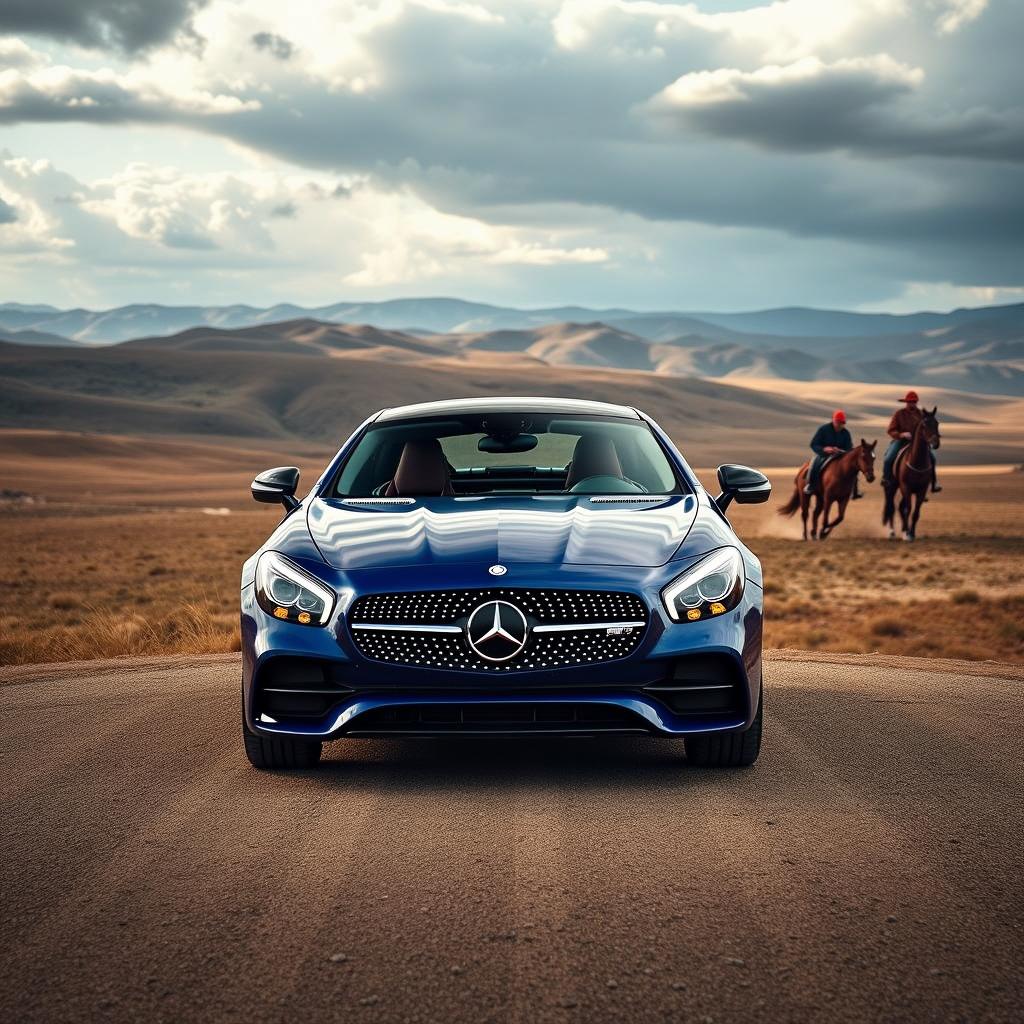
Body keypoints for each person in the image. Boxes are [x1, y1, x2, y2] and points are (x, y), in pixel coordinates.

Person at [882, 390, 941, 492]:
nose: (912, 403)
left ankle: (933, 483)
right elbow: (890, 430)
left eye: (914, 402)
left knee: (932, 458)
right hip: (901, 441)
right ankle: (886, 479)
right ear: (906, 402)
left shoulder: (921, 415)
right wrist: (901, 434)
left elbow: (926, 429)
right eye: (910, 401)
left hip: (918, 444)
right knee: (888, 458)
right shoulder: (899, 414)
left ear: (916, 402)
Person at [804, 409, 859, 497]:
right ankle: (810, 485)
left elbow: (849, 448)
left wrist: (841, 450)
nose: (840, 425)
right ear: (833, 420)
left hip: (840, 457)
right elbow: (814, 444)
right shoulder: (823, 429)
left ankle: (854, 490)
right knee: (814, 465)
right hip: (823, 455)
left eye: (842, 423)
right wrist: (825, 449)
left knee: (853, 469)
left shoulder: (846, 433)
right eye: (838, 422)